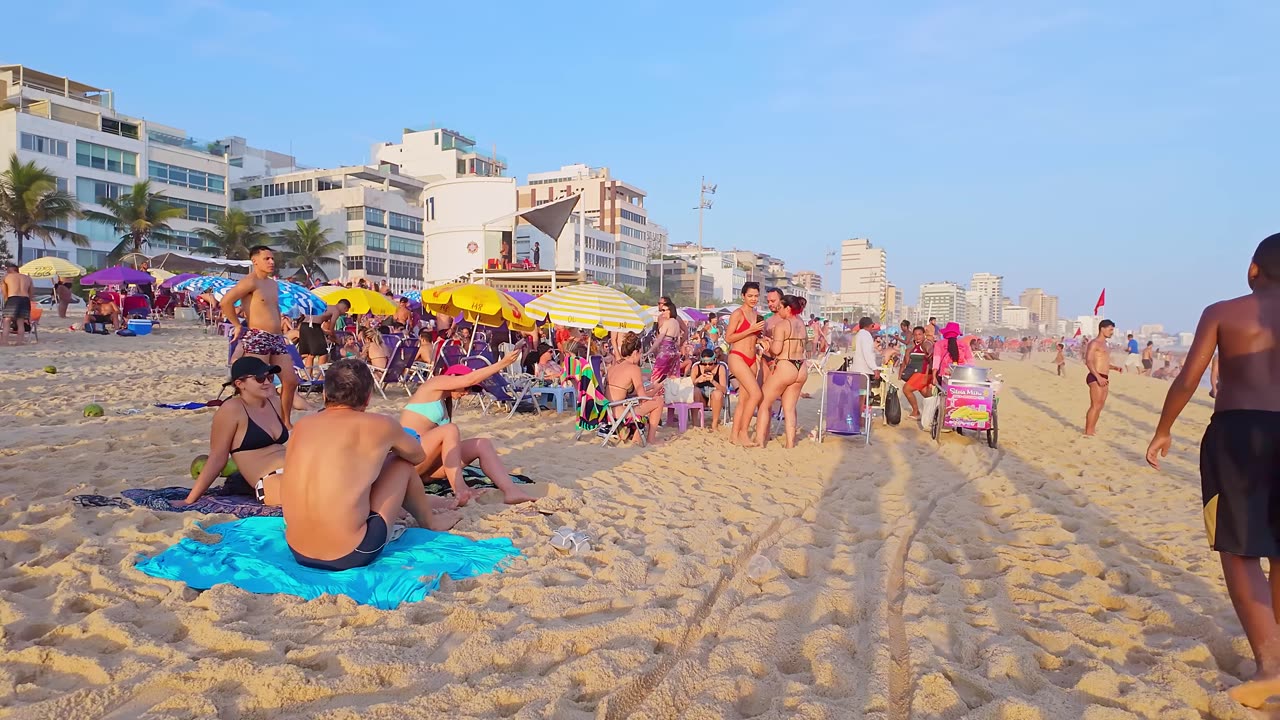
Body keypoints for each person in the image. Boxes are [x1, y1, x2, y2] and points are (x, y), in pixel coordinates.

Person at [1145, 233, 1280, 709]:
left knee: (1238, 549)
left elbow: (1188, 378)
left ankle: (1270, 667)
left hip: (1239, 433)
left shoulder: (1223, 311)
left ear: (1252, 269)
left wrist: (1164, 429)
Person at [282, 360, 459, 571]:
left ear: (324, 395)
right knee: (400, 463)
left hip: (297, 550)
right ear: (367, 398)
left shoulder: (302, 426)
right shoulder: (380, 424)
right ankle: (430, 522)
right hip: (350, 553)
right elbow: (417, 456)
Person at [400, 352, 535, 505]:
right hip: (408, 464)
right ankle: (461, 489)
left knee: (482, 444)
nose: (467, 392)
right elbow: (470, 378)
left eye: (471, 389)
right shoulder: (432, 385)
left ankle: (511, 491)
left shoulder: (444, 403)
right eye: (466, 388)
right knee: (450, 429)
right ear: (453, 380)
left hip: (427, 470)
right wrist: (503, 363)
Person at [173, 358, 289, 508]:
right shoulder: (232, 409)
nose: (267, 382)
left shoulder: (274, 402)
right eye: (260, 378)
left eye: (270, 377)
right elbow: (217, 457)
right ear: (240, 384)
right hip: (270, 479)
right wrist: (189, 500)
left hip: (297, 468)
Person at [221, 246, 302, 429]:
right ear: (255, 261)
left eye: (272, 258)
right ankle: (254, 421)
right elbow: (226, 301)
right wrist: (236, 325)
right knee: (257, 383)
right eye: (267, 259)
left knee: (290, 381)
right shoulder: (251, 281)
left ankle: (285, 421)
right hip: (258, 335)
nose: (272, 262)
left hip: (277, 337)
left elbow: (273, 307)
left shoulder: (273, 284)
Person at [756, 295, 807, 448]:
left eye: (780, 308)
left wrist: (767, 344)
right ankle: (790, 444)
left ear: (788, 308)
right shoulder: (801, 324)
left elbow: (776, 350)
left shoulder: (782, 325)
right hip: (801, 366)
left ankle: (759, 441)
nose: (779, 311)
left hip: (785, 365)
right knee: (789, 408)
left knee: (764, 402)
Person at [605, 332, 665, 445]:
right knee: (658, 401)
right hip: (621, 412)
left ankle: (637, 436)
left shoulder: (614, 367)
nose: (641, 356)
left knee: (642, 405)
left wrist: (651, 386)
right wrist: (657, 389)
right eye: (640, 353)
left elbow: (624, 391)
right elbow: (643, 398)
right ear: (635, 352)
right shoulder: (634, 368)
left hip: (608, 410)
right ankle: (651, 439)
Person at [725, 282, 766, 445]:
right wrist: (750, 329)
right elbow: (729, 338)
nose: (753, 299)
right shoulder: (738, 313)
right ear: (743, 296)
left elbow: (753, 338)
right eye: (750, 296)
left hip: (751, 358)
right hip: (738, 356)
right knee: (756, 394)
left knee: (744, 398)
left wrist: (762, 339)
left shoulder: (756, 315)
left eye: (756, 296)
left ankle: (734, 436)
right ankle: (743, 432)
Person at [1084, 319, 1123, 437]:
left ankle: (1092, 429)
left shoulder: (1105, 344)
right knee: (1095, 405)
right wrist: (1098, 377)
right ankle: (1088, 431)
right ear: (1102, 328)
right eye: (1110, 329)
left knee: (1100, 405)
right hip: (1095, 376)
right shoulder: (1094, 343)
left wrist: (1114, 368)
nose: (1112, 332)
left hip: (1104, 377)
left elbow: (1103, 363)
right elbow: (1089, 361)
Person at [297, 299, 350, 378]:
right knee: (323, 353)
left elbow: (318, 322)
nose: (344, 313)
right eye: (345, 311)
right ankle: (320, 377)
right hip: (313, 326)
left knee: (311, 354)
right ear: (345, 308)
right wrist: (337, 340)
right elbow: (331, 329)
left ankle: (308, 377)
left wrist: (326, 333)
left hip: (304, 326)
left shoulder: (327, 306)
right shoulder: (336, 311)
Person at [689, 348, 727, 430]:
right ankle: (695, 422)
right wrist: (697, 380)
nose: (707, 366)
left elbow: (724, 390)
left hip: (714, 399)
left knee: (717, 393)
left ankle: (714, 423)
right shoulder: (696, 368)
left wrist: (713, 381)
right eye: (704, 364)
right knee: (694, 391)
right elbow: (688, 387)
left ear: (714, 361)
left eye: (710, 364)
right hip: (700, 398)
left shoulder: (720, 368)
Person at [899, 326, 932, 419]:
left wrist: (930, 352)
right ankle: (934, 412)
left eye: (920, 334)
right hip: (919, 373)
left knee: (906, 389)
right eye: (915, 335)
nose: (917, 337)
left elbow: (930, 350)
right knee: (927, 395)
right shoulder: (916, 345)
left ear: (924, 335)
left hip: (923, 374)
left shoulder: (925, 344)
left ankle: (915, 411)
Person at [1, 263, 35, 346]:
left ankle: (5, 342)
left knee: (7, 320)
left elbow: (5, 293)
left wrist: (6, 303)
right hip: (25, 299)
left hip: (13, 298)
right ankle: (19, 342)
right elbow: (31, 293)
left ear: (10, 270)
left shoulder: (6, 277)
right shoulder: (28, 278)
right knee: (20, 321)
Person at [651, 299, 683, 384]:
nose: (662, 312)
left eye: (664, 310)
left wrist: (649, 351)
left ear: (670, 311)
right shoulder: (676, 322)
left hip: (665, 352)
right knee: (672, 378)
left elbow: (659, 339)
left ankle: (656, 395)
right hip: (674, 352)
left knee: (656, 377)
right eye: (662, 310)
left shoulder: (667, 322)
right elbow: (678, 341)